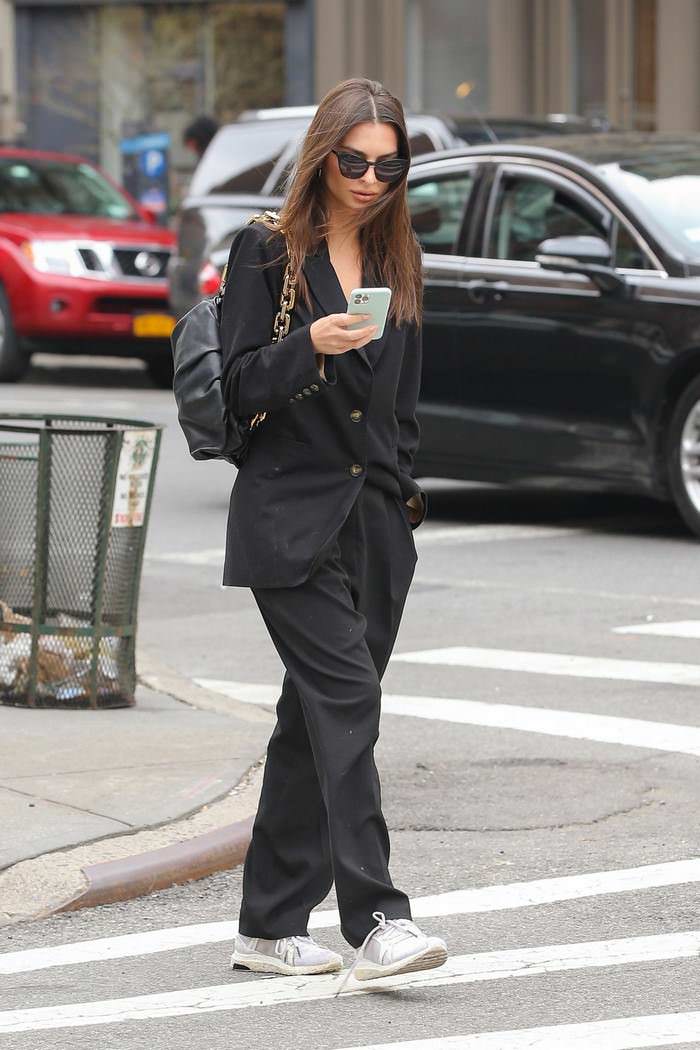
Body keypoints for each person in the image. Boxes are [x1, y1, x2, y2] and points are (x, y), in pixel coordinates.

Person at [220, 77, 447, 989]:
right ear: (323, 155)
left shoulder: (399, 256)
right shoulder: (266, 254)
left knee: (309, 722)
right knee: (348, 701)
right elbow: (237, 392)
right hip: (289, 522)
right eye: (354, 160)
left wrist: (403, 505)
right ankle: (378, 919)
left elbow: (404, 407)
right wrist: (307, 345)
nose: (369, 178)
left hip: (376, 526)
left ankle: (269, 924)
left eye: (388, 165)